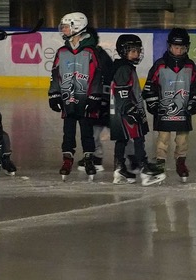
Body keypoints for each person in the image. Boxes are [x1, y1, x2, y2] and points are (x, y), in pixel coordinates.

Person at [47, 11, 112, 181]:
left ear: (77, 27)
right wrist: (54, 94)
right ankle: (67, 159)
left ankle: (89, 158)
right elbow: (55, 75)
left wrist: (95, 97)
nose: (63, 30)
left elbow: (97, 76)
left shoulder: (90, 52)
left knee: (87, 132)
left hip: (86, 100)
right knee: (68, 132)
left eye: (66, 27)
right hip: (68, 99)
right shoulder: (62, 51)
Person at [143, 27, 196, 183]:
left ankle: (181, 162)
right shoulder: (160, 65)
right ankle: (160, 162)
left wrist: (194, 101)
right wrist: (153, 103)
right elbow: (150, 86)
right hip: (164, 110)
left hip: (183, 109)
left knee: (182, 139)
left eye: (182, 48)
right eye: (176, 47)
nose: (178, 51)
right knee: (163, 138)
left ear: (187, 48)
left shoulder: (190, 66)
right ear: (169, 46)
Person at [110, 34, 164, 185]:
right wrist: (131, 109)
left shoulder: (123, 66)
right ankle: (144, 169)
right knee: (139, 138)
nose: (137, 54)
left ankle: (119, 168)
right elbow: (121, 90)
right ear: (123, 51)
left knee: (122, 139)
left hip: (121, 112)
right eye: (132, 51)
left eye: (138, 51)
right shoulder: (124, 68)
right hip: (129, 112)